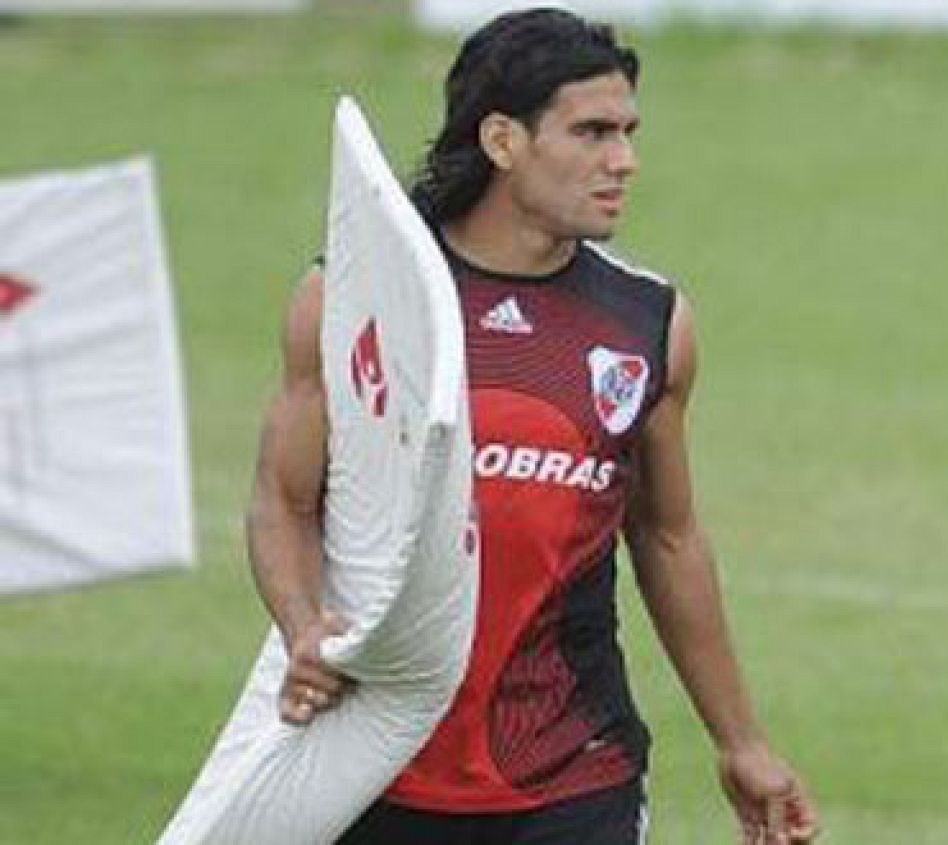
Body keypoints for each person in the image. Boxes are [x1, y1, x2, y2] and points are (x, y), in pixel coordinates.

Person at [245, 9, 817, 844]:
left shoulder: (648, 323)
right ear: (504, 139)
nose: (624, 159)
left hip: (573, 772)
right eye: (591, 132)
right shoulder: (357, 301)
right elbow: (282, 500)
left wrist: (742, 742)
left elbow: (667, 537)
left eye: (627, 131)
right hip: (374, 765)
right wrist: (304, 627)